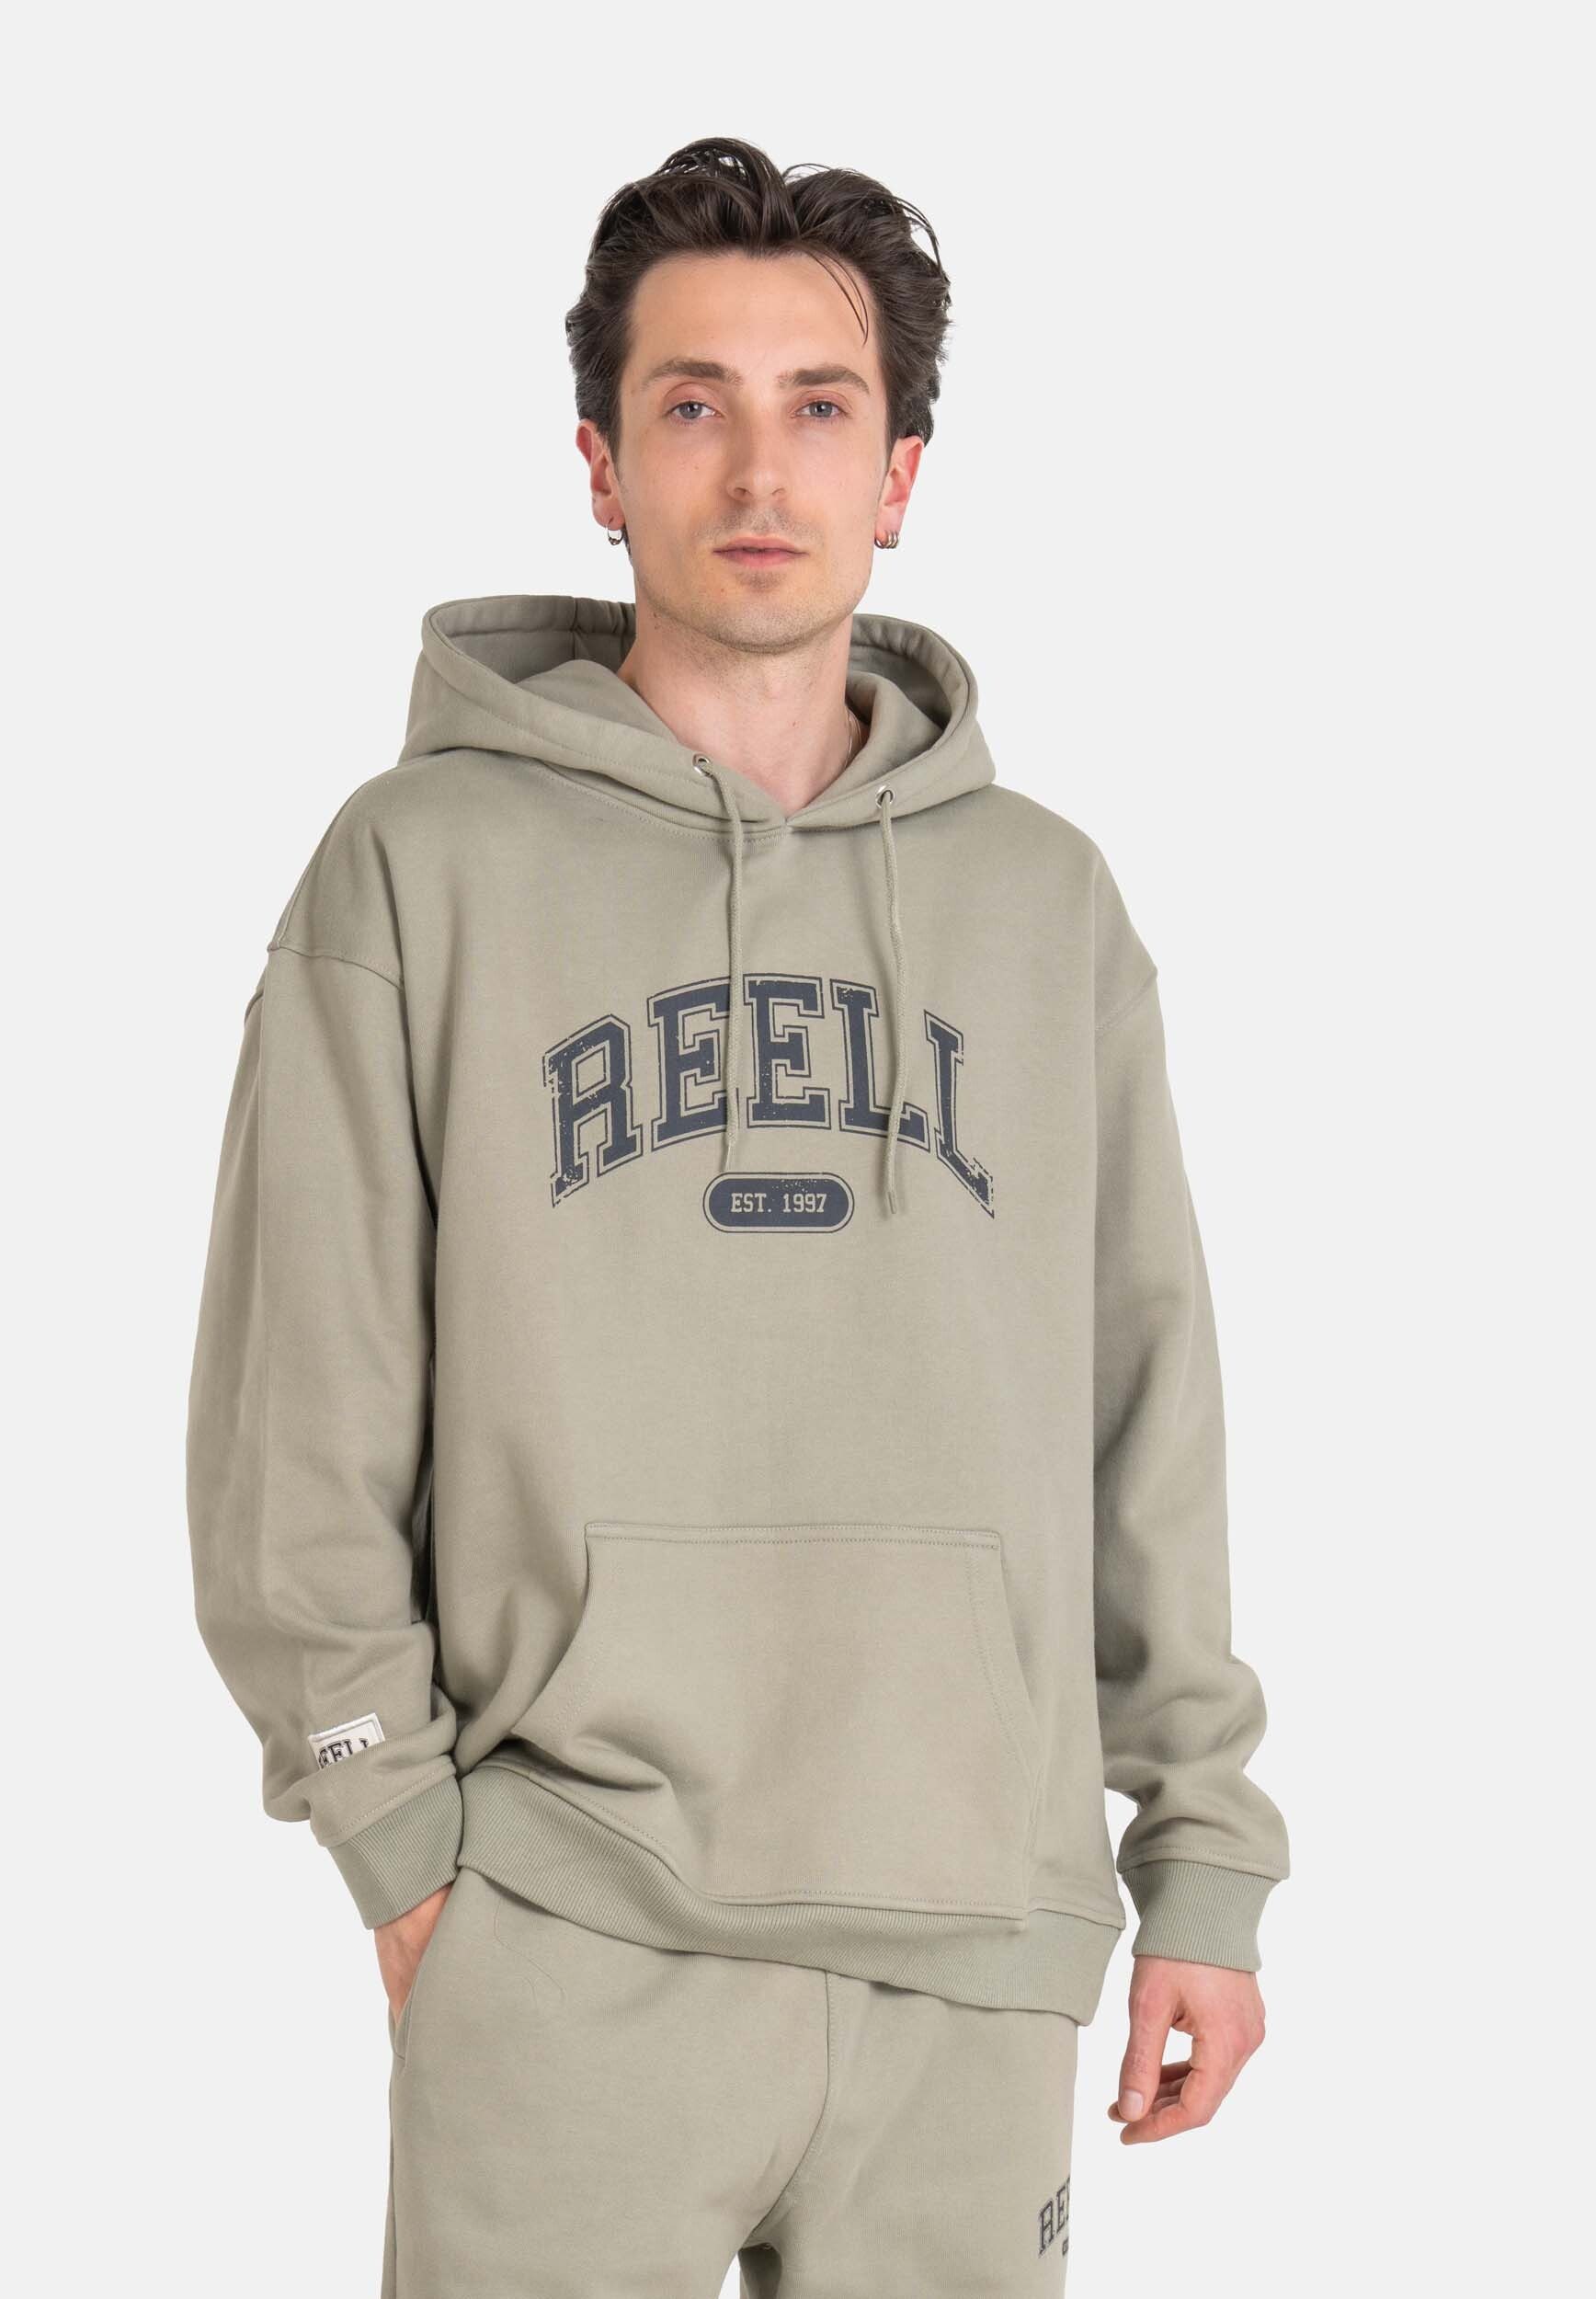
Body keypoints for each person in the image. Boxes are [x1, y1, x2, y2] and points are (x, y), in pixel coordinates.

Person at [186, 134, 1289, 2296]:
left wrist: (1205, 1858)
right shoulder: (416, 868)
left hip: (974, 1954)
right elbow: (295, 1407)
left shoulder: (1043, 904)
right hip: (565, 1931)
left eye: (820, 404)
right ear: (600, 467)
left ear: (901, 473)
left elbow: (1143, 1409)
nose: (759, 468)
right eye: (692, 402)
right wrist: (398, 1835)